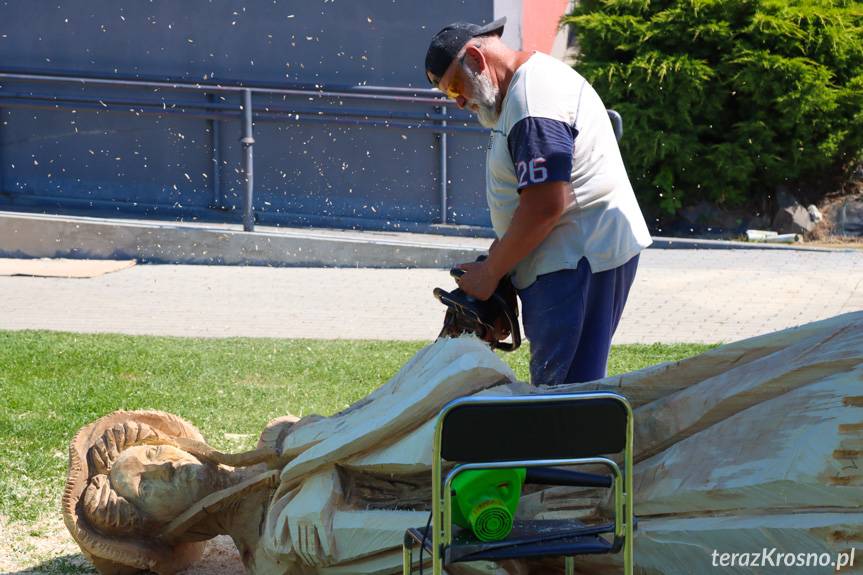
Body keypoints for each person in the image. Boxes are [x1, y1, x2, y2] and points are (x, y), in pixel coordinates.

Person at [424, 17, 653, 385]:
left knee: (563, 395)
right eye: (449, 95)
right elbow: (532, 199)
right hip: (572, 257)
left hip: (576, 260)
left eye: (454, 86)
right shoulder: (523, 91)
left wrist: (492, 273)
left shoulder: (532, 101)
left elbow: (546, 205)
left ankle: (580, 444)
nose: (459, 101)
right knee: (564, 389)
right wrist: (500, 258)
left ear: (477, 59)